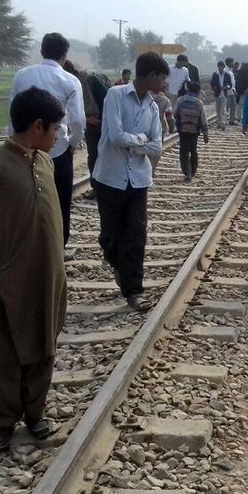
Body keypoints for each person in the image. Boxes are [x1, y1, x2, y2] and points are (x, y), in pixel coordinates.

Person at [0, 86, 67, 452]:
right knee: (5, 348)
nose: (58, 136)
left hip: (49, 273)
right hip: (10, 275)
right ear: (38, 126)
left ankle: (35, 411)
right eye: (55, 129)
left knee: (44, 342)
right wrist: (4, 257)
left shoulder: (46, 162)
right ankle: (3, 420)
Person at [92, 51, 167, 312]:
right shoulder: (115, 95)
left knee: (136, 235)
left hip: (138, 180)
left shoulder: (154, 106)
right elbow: (114, 136)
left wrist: (136, 142)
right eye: (162, 79)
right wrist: (141, 141)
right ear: (151, 76)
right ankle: (116, 262)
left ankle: (134, 290)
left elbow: (158, 145)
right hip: (110, 177)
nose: (164, 85)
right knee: (110, 237)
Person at [8, 32, 85, 259]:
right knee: (60, 200)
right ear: (64, 56)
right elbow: (78, 120)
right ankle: (57, 249)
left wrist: (14, 143)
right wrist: (73, 143)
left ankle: (26, 247)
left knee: (26, 198)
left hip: (25, 149)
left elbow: (14, 113)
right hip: (58, 149)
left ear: (42, 51)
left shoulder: (22, 75)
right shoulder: (70, 81)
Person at [64, 62, 110, 199]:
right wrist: (87, 119)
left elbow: (110, 99)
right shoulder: (71, 85)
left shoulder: (91, 81)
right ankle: (97, 188)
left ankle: (108, 188)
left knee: (106, 157)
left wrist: (101, 119)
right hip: (91, 125)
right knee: (94, 157)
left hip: (105, 124)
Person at [174, 81, 208, 182]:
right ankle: (193, 171)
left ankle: (187, 172)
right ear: (197, 92)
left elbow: (174, 114)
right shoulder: (199, 103)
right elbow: (203, 119)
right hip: (194, 131)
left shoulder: (181, 100)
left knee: (184, 151)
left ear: (188, 90)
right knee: (193, 150)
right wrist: (205, 133)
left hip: (183, 130)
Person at [211, 60, 233, 130]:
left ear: (223, 67)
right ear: (218, 67)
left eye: (221, 66)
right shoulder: (215, 74)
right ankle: (219, 123)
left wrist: (226, 87)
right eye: (219, 66)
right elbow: (212, 84)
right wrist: (214, 88)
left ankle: (223, 123)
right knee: (217, 110)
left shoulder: (227, 75)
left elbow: (230, 85)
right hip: (217, 94)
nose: (220, 68)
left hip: (224, 94)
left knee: (222, 109)